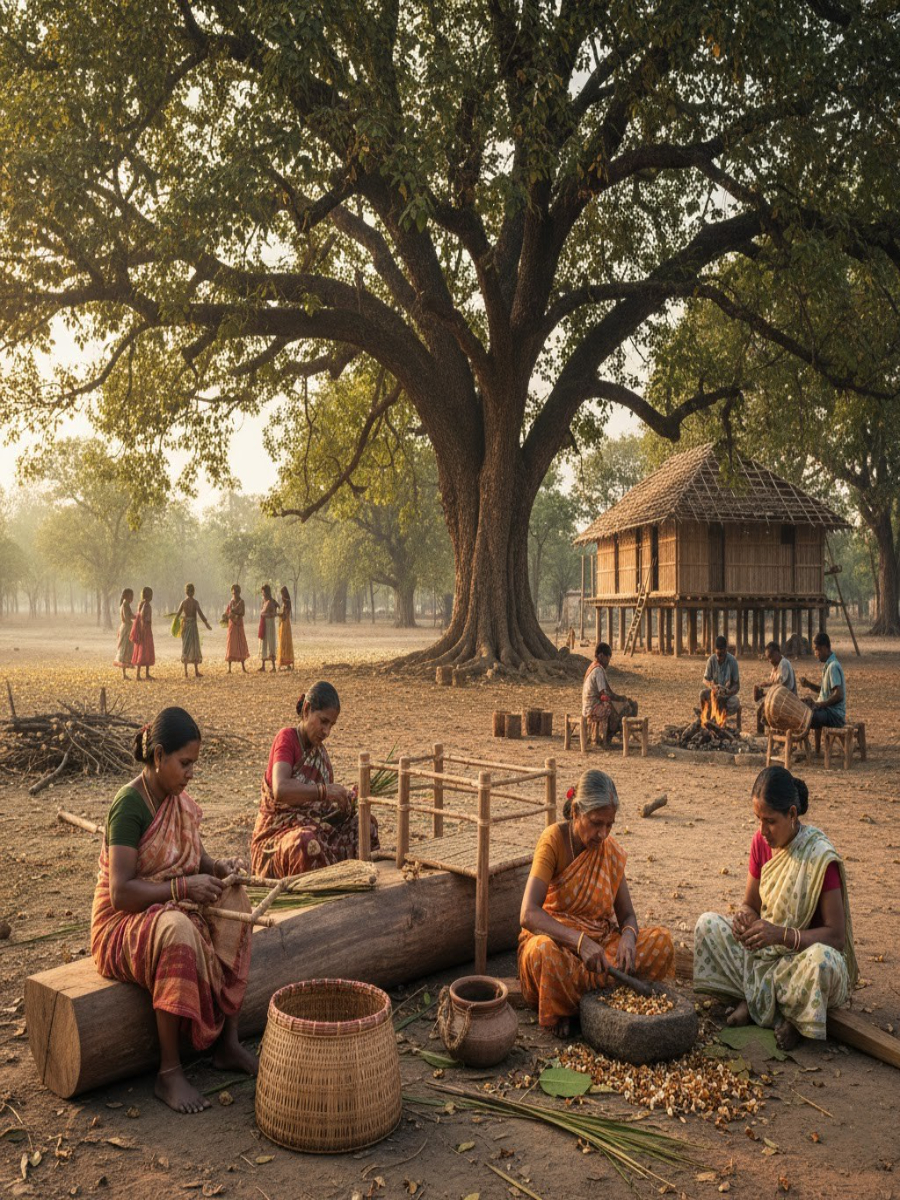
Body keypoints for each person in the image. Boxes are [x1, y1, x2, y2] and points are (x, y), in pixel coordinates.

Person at [90, 707, 256, 1114]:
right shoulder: (128, 805)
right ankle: (169, 1072)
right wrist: (182, 888)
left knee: (236, 902)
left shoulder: (178, 801)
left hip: (171, 905)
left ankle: (227, 1043)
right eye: (185, 764)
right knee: (179, 930)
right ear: (159, 755)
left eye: (194, 765)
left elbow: (194, 858)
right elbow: (121, 893)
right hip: (122, 923)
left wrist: (220, 870)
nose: (190, 774)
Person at [693, 765, 857, 1050]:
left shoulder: (819, 856)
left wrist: (780, 935)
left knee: (823, 963)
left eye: (769, 821)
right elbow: (750, 904)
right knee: (707, 926)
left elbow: (836, 937)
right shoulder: (761, 842)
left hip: (801, 960)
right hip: (766, 955)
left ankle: (787, 1015)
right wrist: (744, 919)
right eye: (758, 819)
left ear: (792, 814)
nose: (762, 830)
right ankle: (776, 1007)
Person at [518, 769, 674, 1037]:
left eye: (609, 825)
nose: (603, 834)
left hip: (601, 952)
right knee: (542, 953)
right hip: (560, 947)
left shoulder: (608, 850)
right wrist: (579, 942)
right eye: (596, 823)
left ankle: (575, 1005)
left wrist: (627, 937)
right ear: (577, 811)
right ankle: (593, 1000)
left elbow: (627, 916)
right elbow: (528, 914)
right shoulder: (553, 840)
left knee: (661, 942)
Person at [251, 681, 379, 878]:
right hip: (276, 837)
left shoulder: (320, 755)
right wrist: (325, 791)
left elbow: (323, 813)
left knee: (365, 826)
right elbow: (281, 788)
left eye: (332, 725)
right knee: (306, 843)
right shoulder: (287, 738)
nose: (327, 732)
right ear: (307, 710)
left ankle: (355, 888)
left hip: (313, 829)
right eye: (323, 721)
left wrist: (346, 801)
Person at [581, 642, 637, 744]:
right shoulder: (598, 670)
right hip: (593, 708)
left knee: (616, 706)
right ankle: (608, 737)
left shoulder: (592, 666)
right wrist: (620, 699)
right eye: (608, 659)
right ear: (601, 656)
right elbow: (604, 695)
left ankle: (608, 735)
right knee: (619, 709)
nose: (608, 662)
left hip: (587, 706)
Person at [799, 632, 846, 729]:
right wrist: (808, 684)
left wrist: (819, 705)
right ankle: (813, 744)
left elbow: (839, 695)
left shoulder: (833, 666)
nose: (816, 654)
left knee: (804, 716)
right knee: (802, 706)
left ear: (825, 648)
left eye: (817, 650)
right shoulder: (828, 666)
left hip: (834, 715)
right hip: (828, 712)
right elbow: (826, 691)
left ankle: (804, 742)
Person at [753, 641, 797, 725]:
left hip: (788, 699)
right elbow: (774, 683)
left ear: (777, 652)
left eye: (771, 657)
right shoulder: (775, 667)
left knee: (762, 709)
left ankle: (762, 732)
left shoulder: (784, 663)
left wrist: (767, 687)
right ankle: (763, 732)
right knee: (760, 707)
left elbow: (780, 684)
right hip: (780, 697)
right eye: (768, 658)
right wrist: (765, 685)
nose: (770, 660)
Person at [700, 635, 741, 719]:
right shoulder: (711, 660)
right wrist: (712, 686)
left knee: (731, 701)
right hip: (715, 692)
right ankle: (704, 719)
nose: (719, 658)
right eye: (717, 654)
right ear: (715, 650)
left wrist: (727, 692)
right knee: (702, 694)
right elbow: (705, 679)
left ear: (726, 650)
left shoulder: (732, 661)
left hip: (728, 695)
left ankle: (720, 722)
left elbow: (737, 685)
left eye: (721, 655)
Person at [177, 584, 212, 679]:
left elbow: (177, 615)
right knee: (194, 646)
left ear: (186, 592)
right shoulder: (195, 602)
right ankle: (195, 671)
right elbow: (200, 614)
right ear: (193, 592)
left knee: (187, 647)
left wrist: (181, 621)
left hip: (186, 626)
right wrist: (206, 624)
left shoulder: (183, 602)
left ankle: (186, 672)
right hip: (191, 626)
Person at [130, 587, 156, 681]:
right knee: (144, 651)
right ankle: (139, 675)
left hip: (146, 628)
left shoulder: (143, 604)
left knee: (146, 650)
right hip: (145, 629)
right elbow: (142, 617)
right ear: (148, 596)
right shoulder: (145, 605)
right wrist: (144, 628)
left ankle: (146, 674)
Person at [223, 584, 250, 673]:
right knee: (231, 644)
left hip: (238, 625)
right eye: (234, 592)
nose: (235, 594)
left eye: (237, 592)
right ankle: (229, 668)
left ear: (239, 592)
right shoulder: (231, 602)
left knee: (240, 644)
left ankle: (243, 667)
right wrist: (226, 616)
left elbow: (243, 613)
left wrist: (236, 613)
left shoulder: (241, 602)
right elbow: (227, 612)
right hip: (232, 625)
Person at [113, 589, 135, 680]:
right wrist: (137, 617)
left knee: (125, 649)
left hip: (125, 627)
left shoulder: (124, 604)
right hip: (127, 628)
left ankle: (124, 673)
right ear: (126, 596)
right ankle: (124, 674)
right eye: (130, 596)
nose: (132, 598)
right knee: (125, 649)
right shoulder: (125, 605)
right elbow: (127, 617)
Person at [257, 585, 278, 672]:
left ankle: (273, 667)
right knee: (263, 644)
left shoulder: (271, 602)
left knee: (271, 644)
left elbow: (273, 613)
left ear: (266, 592)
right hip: (264, 624)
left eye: (263, 592)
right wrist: (263, 614)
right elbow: (262, 612)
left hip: (269, 624)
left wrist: (265, 614)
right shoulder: (264, 601)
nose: (262, 594)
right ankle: (263, 666)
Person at [276, 586, 294, 671]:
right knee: (283, 643)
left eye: (282, 593)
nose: (282, 595)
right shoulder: (285, 602)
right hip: (283, 623)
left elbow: (285, 614)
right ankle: (285, 663)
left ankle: (287, 663)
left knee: (285, 643)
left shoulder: (287, 602)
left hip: (285, 623)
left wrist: (276, 614)